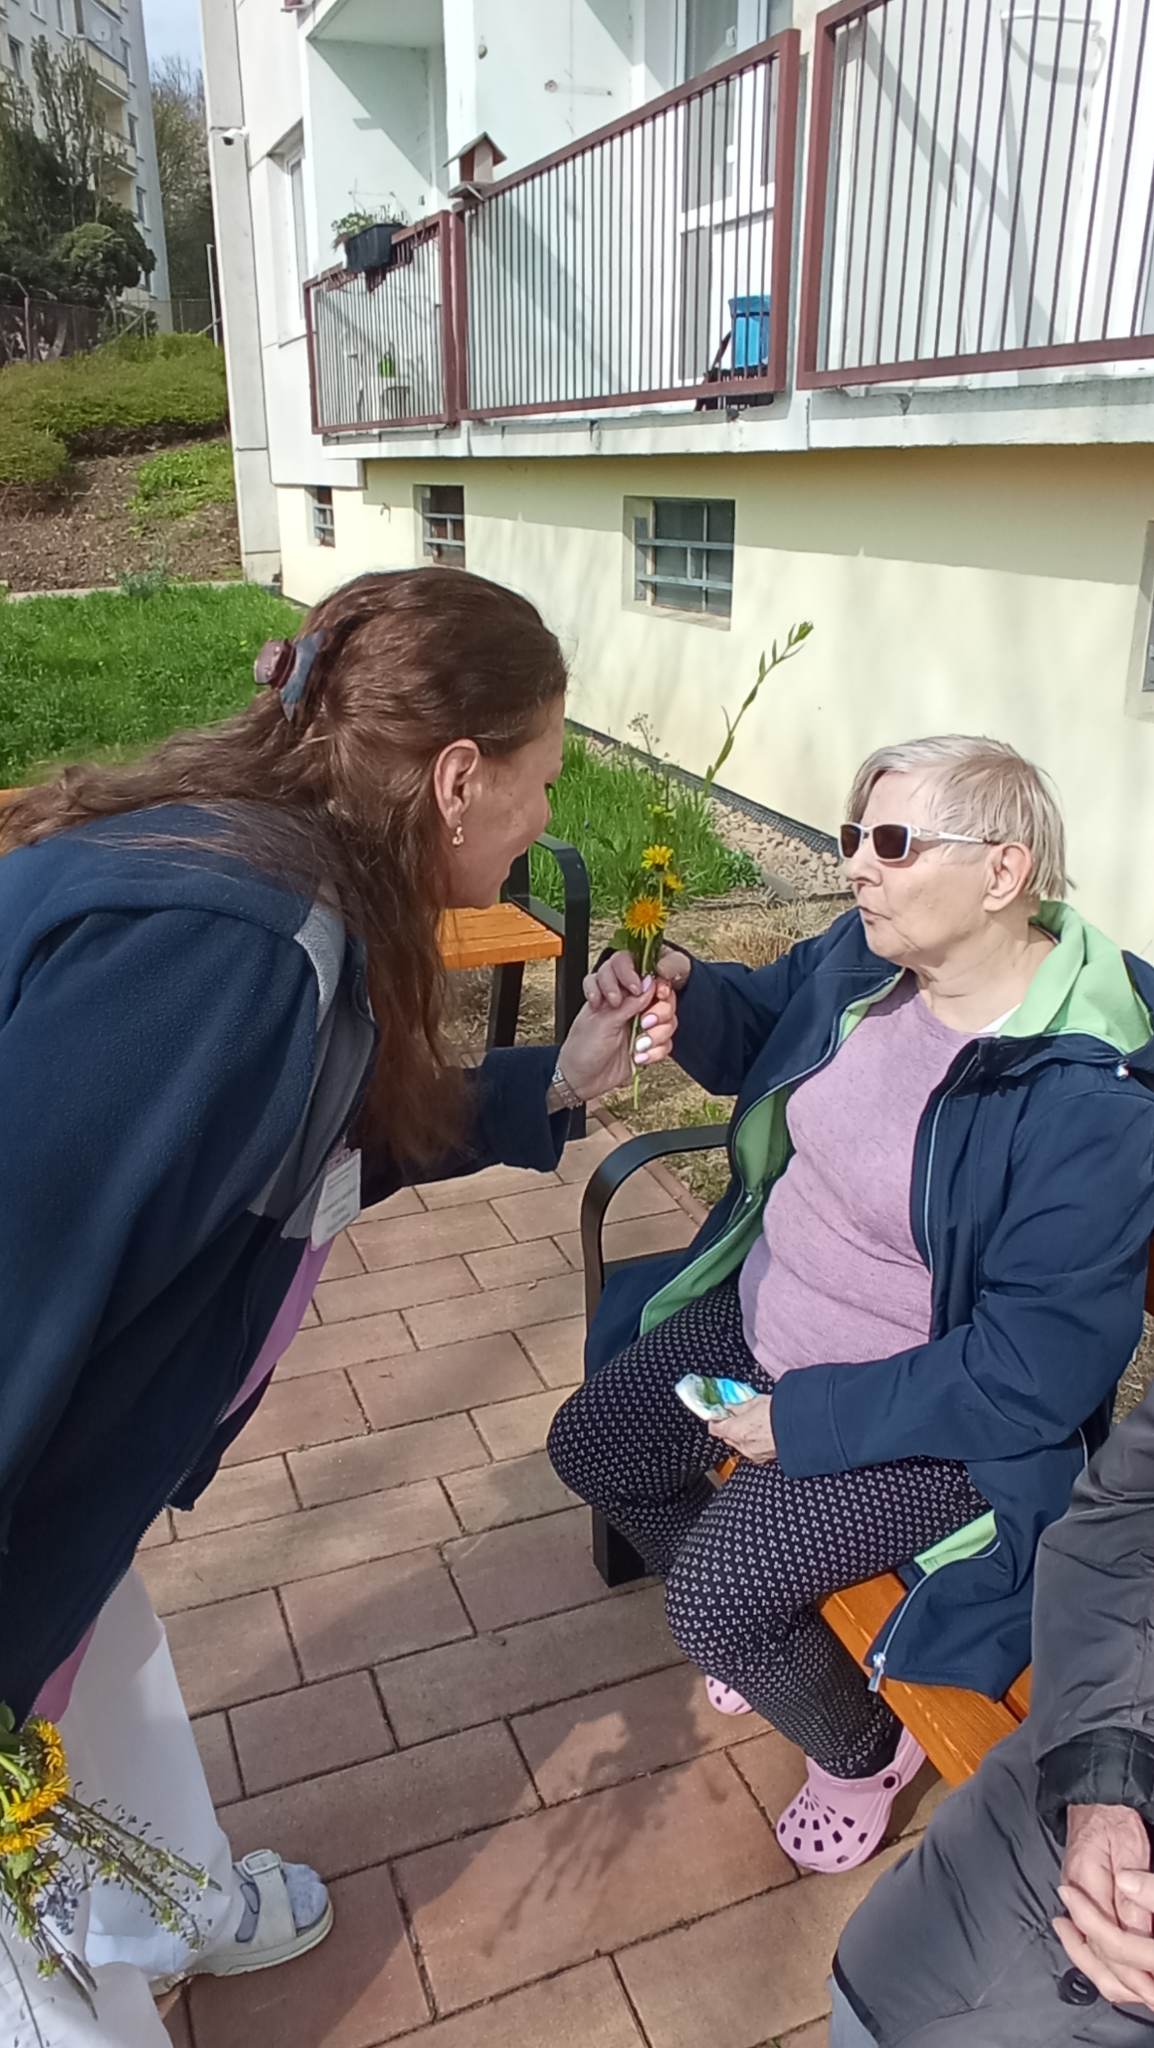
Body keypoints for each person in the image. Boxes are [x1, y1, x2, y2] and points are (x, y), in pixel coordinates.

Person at [0, 566, 677, 2047]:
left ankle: (173, 1903)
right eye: (542, 776)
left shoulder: (278, 881)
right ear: (456, 776)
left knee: (110, 1651)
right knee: (32, 1955)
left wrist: (550, 1083)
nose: (545, 815)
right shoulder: (225, 955)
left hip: (69, 1480)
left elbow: (306, 1139)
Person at [549, 734, 1154, 1874]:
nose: (856, 866)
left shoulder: (1083, 1096)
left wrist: (803, 1422)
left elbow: (1034, 1370)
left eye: (892, 842)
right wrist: (686, 986)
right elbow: (763, 1021)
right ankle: (781, 1642)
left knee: (714, 1597)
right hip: (768, 1312)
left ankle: (858, 1745)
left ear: (1004, 870)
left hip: (929, 1421)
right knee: (595, 1446)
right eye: (850, 837)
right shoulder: (864, 956)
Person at [832, 1374, 1154, 2045]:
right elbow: (1128, 1517)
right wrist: (1106, 1782)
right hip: (957, 1930)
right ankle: (853, 1749)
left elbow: (1033, 1362)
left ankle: (856, 1753)